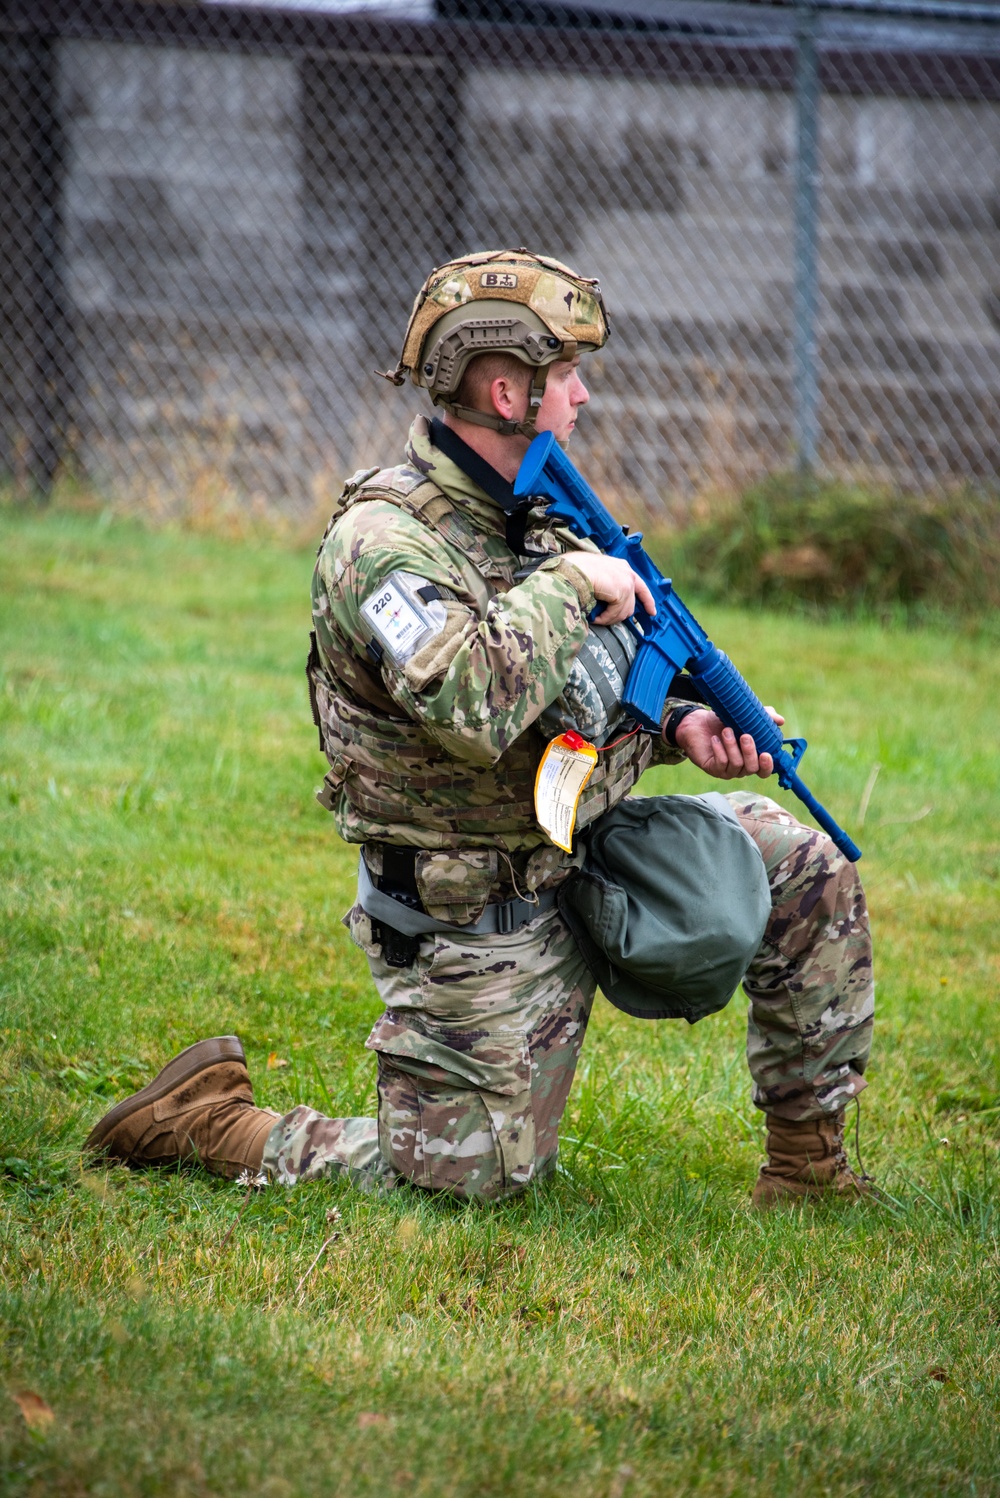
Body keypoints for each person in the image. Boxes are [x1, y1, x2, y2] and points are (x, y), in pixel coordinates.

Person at [85, 250, 874, 1206]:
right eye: (566, 377)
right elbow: (471, 704)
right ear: (507, 391)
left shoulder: (542, 519)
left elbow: (577, 697)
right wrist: (574, 585)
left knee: (803, 862)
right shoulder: (382, 546)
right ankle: (207, 1120)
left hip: (577, 844)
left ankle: (809, 1171)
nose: (581, 399)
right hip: (472, 905)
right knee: (463, 1185)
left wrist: (681, 722)